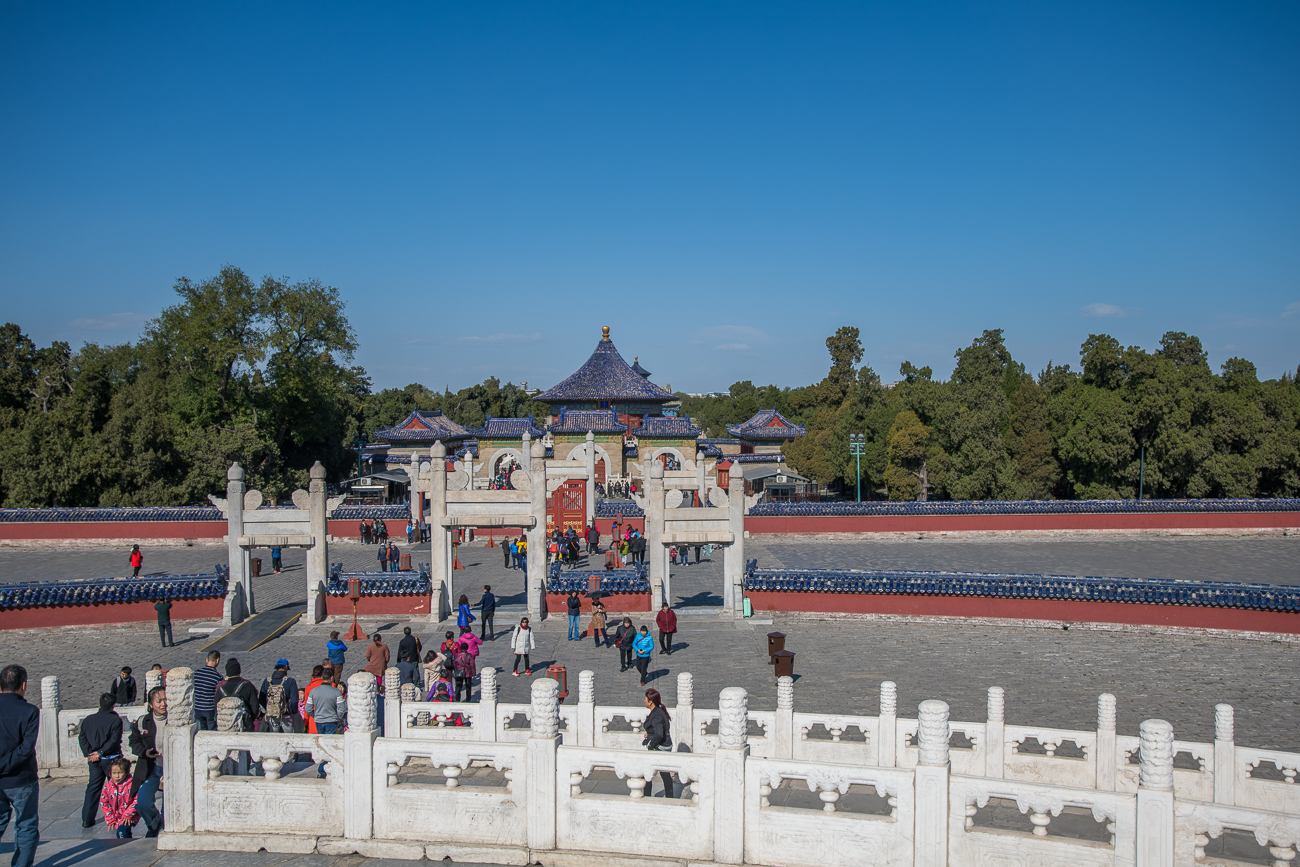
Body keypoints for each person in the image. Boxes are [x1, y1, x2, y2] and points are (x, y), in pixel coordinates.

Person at [0, 664, 38, 866]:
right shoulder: (30, 711)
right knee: (26, 825)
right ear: (23, 685)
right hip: (21, 778)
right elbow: (25, 749)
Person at [79, 693, 123, 828]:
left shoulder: (88, 720)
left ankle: (87, 819)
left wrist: (90, 754)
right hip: (111, 759)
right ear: (113, 705)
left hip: (94, 761)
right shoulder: (116, 721)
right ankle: (118, 815)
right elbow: (114, 740)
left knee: (93, 788)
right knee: (116, 788)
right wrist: (100, 752)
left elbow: (82, 738)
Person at [129, 685, 166, 837]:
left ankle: (165, 830)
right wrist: (145, 752)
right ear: (151, 705)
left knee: (168, 805)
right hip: (150, 767)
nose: (163, 704)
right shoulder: (143, 722)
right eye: (159, 701)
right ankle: (154, 823)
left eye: (166, 699)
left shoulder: (175, 720)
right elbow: (134, 742)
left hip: (171, 768)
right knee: (142, 802)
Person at [302, 678, 346, 777]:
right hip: (332, 721)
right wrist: (338, 717)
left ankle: (322, 769)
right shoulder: (336, 692)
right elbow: (341, 708)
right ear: (331, 678)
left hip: (319, 722)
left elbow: (308, 708)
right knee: (329, 745)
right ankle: (325, 769)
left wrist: (315, 715)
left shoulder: (313, 691)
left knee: (322, 744)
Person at [642, 688, 676, 798]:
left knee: (647, 772)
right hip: (664, 745)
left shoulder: (656, 715)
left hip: (659, 747)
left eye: (646, 699)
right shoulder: (658, 711)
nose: (644, 701)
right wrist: (649, 733)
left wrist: (651, 745)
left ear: (650, 701)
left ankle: (647, 796)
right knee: (664, 773)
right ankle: (670, 796)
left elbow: (659, 734)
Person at [216, 659, 258, 731]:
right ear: (239, 671)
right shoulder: (248, 687)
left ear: (227, 673)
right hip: (244, 727)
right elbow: (255, 708)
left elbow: (216, 710)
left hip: (225, 729)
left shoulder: (220, 690)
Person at [99, 758, 138, 838]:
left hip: (129, 815)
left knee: (121, 833)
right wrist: (110, 818)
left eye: (120, 773)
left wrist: (128, 814)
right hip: (117, 817)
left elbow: (137, 799)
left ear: (127, 772)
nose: (117, 776)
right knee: (124, 833)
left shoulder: (132, 784)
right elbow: (104, 803)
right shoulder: (108, 786)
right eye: (114, 773)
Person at [259, 660, 299, 734]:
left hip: (272, 713)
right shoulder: (290, 681)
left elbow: (261, 699)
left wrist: (269, 709)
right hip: (286, 714)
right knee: (289, 736)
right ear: (286, 667)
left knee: (274, 736)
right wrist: (291, 711)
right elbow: (294, 700)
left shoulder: (267, 681)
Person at [192, 651, 222, 731]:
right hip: (209, 709)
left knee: (200, 731)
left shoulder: (197, 673)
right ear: (217, 660)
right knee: (212, 732)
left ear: (207, 660)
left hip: (197, 708)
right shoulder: (217, 677)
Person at [300, 665, 325, 735]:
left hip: (313, 719)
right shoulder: (331, 686)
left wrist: (305, 722)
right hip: (326, 718)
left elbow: (307, 707)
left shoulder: (308, 688)